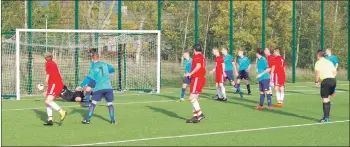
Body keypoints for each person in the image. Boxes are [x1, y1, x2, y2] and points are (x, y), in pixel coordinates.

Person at [79, 51, 116, 124]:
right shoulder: (105, 64)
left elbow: (88, 78)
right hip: (108, 88)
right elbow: (112, 69)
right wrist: (106, 73)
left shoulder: (94, 67)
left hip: (99, 88)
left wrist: (80, 86)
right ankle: (112, 120)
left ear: (92, 59)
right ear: (99, 58)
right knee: (110, 104)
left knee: (93, 104)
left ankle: (88, 120)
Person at [43, 52, 67, 126]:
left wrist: (46, 79)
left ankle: (62, 111)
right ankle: (50, 120)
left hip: (55, 84)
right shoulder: (53, 63)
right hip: (56, 84)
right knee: (47, 102)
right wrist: (47, 90)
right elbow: (57, 74)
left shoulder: (48, 63)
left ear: (45, 58)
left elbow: (49, 74)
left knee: (48, 101)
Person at [185, 44, 206, 123]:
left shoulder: (197, 56)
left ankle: (200, 114)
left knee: (191, 98)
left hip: (197, 78)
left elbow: (198, 66)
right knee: (194, 98)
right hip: (200, 78)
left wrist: (190, 74)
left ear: (194, 50)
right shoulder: (202, 56)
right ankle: (195, 116)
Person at [314, 50, 336, 123]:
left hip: (326, 81)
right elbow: (335, 72)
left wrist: (316, 81)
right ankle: (328, 116)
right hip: (333, 80)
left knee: (325, 99)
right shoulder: (329, 62)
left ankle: (326, 118)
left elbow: (317, 72)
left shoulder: (318, 62)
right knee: (328, 98)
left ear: (318, 55)